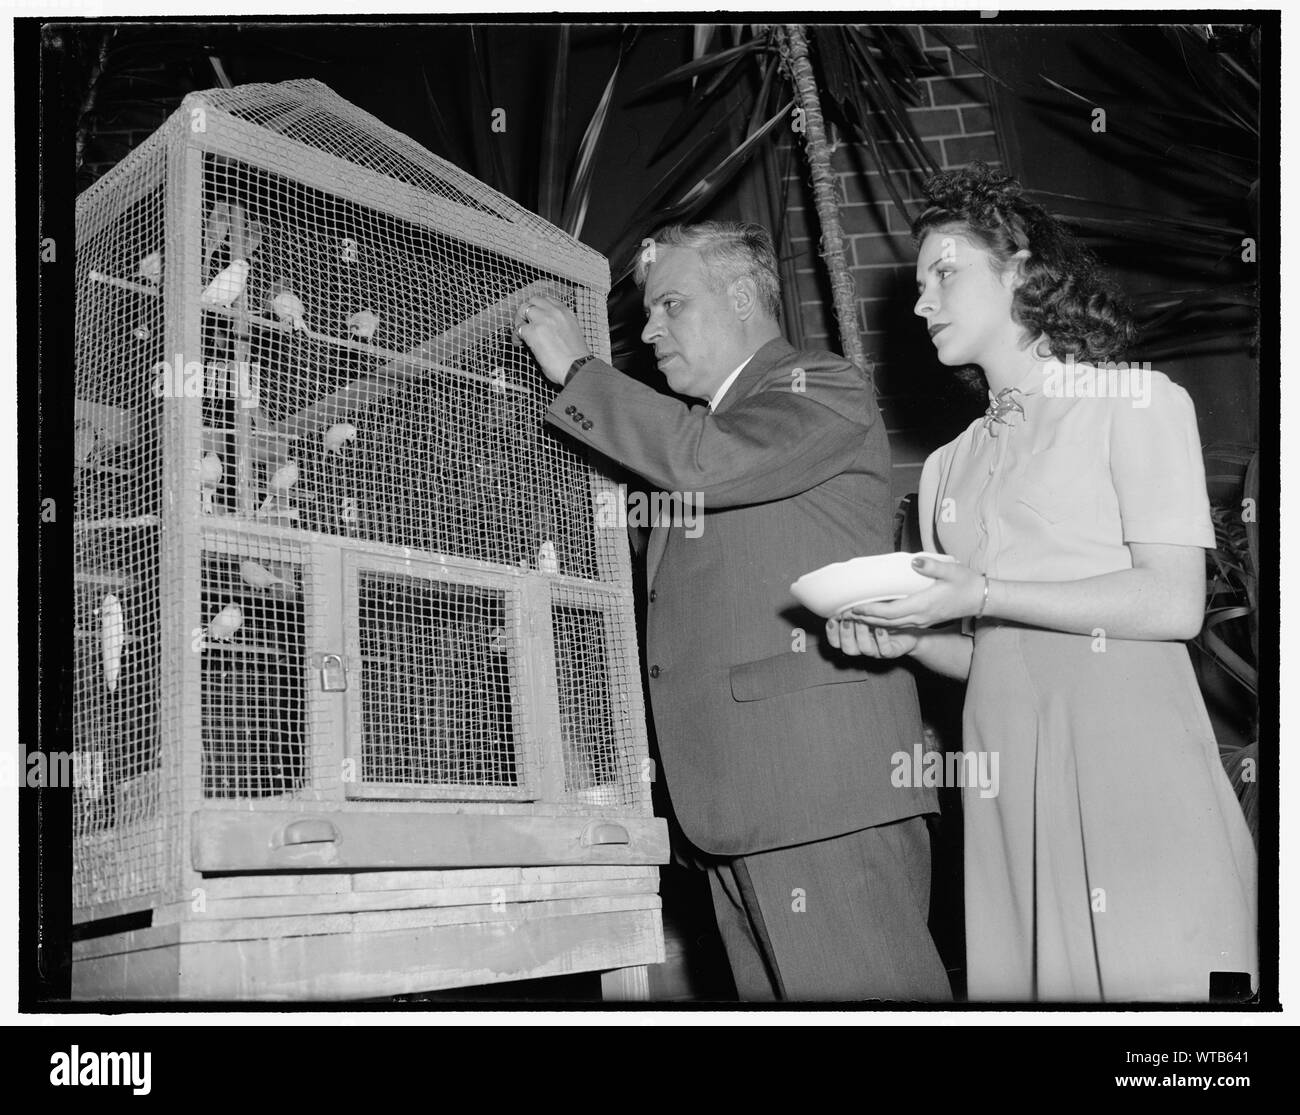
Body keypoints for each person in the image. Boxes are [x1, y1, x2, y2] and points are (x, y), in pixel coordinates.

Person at [827, 166, 1257, 1002]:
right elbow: (995, 653)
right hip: (1003, 769)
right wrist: (914, 637)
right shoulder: (949, 465)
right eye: (917, 286)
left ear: (1022, 270)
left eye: (946, 273)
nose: (923, 303)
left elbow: (1170, 602)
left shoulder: (1134, 402)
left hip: (1124, 753)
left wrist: (981, 590)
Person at [514, 221, 951, 1001]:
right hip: (732, 805)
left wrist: (576, 368)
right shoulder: (709, 429)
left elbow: (702, 458)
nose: (649, 332)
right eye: (647, 313)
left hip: (817, 799)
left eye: (671, 303)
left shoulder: (820, 385)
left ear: (744, 294)